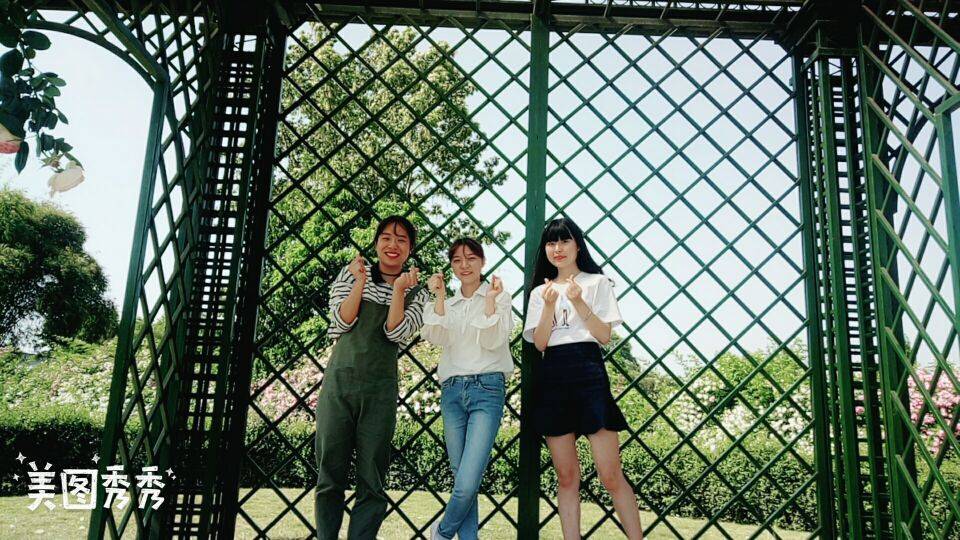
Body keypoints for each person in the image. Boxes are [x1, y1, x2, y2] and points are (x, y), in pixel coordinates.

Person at [522, 217, 644, 540]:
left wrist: (577, 301)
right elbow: (540, 343)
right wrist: (549, 305)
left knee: (610, 474)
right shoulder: (540, 292)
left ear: (578, 245)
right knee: (566, 476)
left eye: (564, 241)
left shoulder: (597, 283)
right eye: (551, 243)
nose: (557, 248)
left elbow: (604, 335)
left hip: (589, 373)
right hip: (554, 377)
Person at [315, 215, 430, 540]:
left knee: (372, 478)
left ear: (410, 249)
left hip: (380, 391)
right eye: (387, 238)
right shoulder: (351, 273)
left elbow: (396, 333)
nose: (393, 245)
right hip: (339, 385)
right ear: (377, 242)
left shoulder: (417, 292)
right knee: (329, 474)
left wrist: (398, 290)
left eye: (402, 240)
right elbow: (340, 322)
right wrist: (360, 283)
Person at [421, 238, 515, 540]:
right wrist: (438, 296)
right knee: (462, 477)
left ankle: (442, 533)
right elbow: (436, 336)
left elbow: (492, 341)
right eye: (457, 260)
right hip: (452, 391)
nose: (464, 265)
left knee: (467, 479)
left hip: (487, 389)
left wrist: (489, 302)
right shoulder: (447, 304)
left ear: (482, 262)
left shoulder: (499, 297)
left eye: (471, 258)